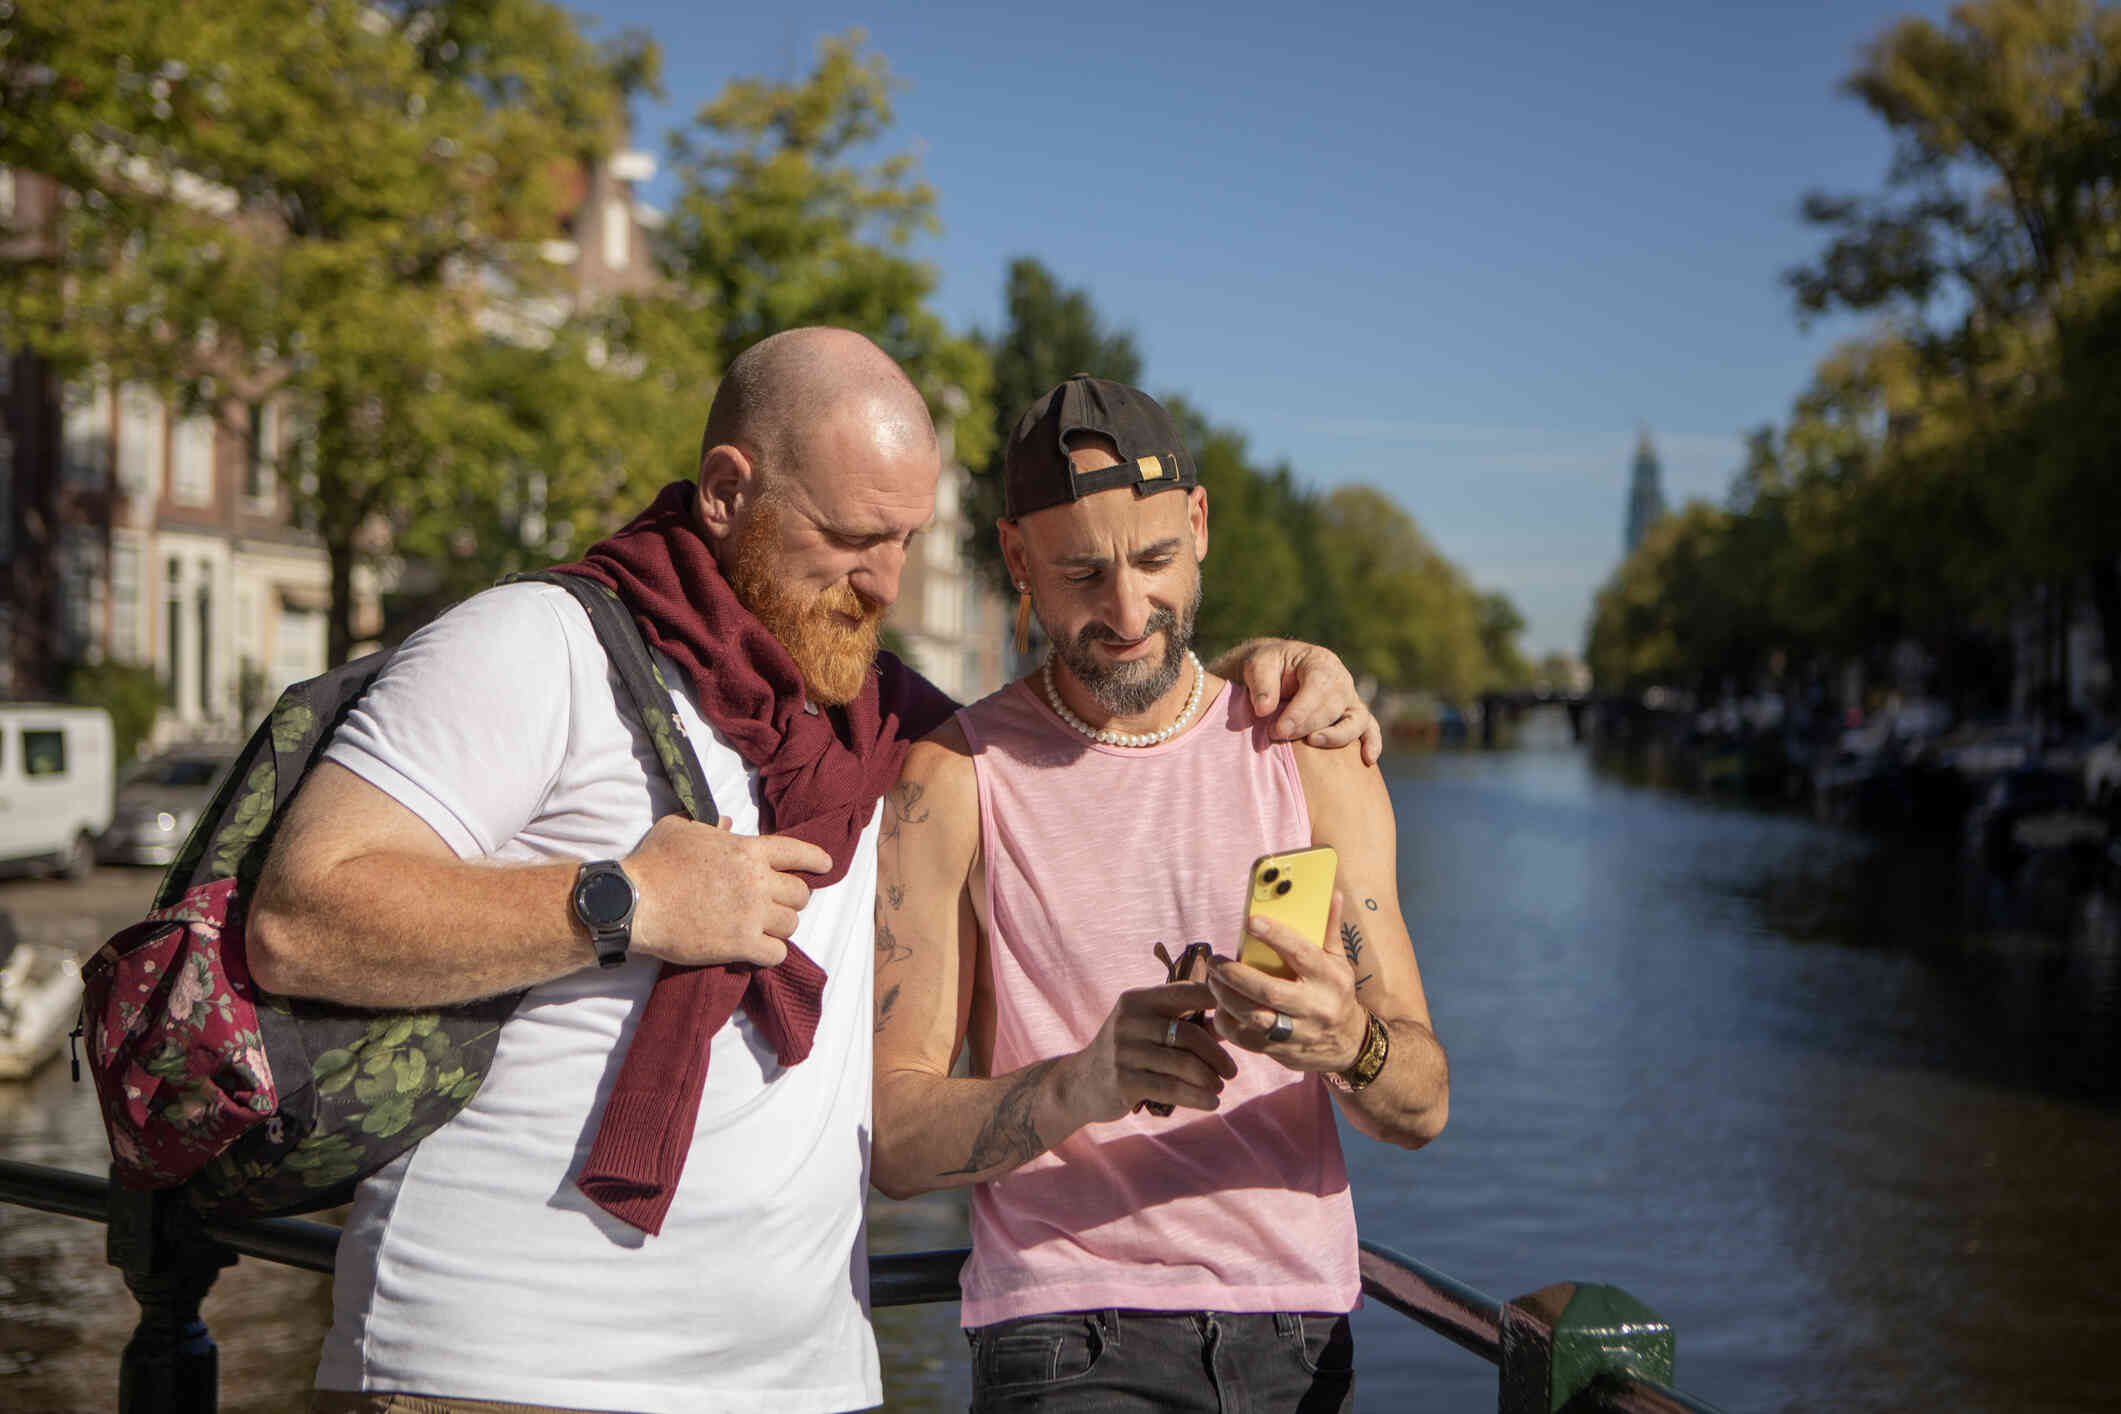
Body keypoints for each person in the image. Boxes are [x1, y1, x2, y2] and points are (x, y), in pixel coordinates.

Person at [246, 328, 1380, 1414]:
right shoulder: (538, 644)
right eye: (849, 537)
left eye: (905, 540)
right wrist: (624, 902)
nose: (884, 582)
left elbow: (1100, 709)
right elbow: (300, 917)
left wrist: (1259, 676)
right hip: (502, 1366)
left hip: (795, 1375)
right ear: (729, 491)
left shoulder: (881, 722)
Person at [870, 374, 1450, 1413]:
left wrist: (1348, 1043)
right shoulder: (953, 779)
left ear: (1200, 523)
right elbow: (894, 1137)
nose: (1128, 611)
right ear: (1015, 559)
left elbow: (1423, 1104)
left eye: (1154, 560)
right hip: (1065, 1331)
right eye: (1083, 572)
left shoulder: (1310, 754)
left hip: (1300, 1330)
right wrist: (1082, 1084)